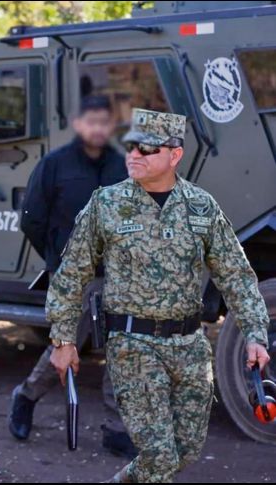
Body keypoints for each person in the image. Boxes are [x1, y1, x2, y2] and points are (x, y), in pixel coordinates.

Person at [47, 108, 271, 483]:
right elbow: (71, 273)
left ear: (175, 155)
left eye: (147, 149)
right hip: (133, 346)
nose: (134, 155)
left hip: (190, 348)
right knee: (160, 456)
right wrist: (63, 339)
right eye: (131, 146)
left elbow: (235, 274)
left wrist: (255, 334)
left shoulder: (201, 206)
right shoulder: (107, 204)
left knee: (186, 450)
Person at [11, 96, 134, 457]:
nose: (97, 128)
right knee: (67, 345)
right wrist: (58, 259)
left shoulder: (122, 165)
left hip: (117, 273)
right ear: (78, 124)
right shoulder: (55, 164)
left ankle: (115, 428)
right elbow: (31, 218)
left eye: (104, 122)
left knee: (120, 347)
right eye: (90, 121)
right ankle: (26, 396)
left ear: (112, 126)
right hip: (72, 275)